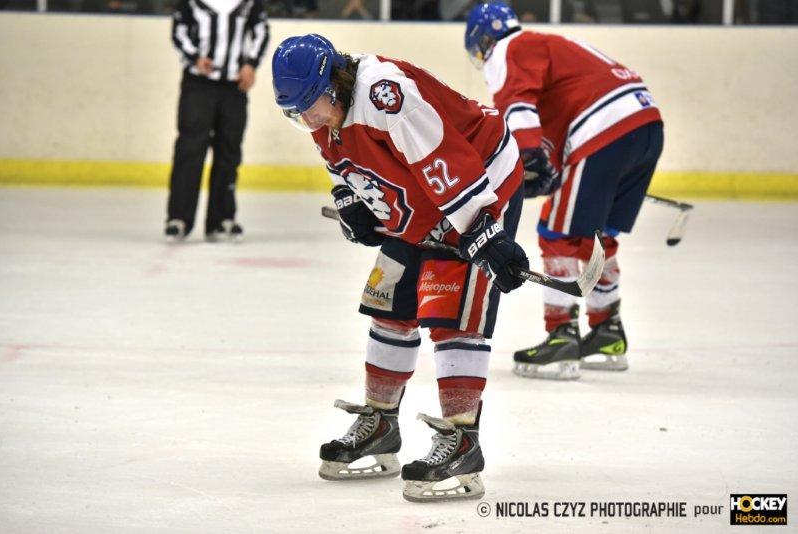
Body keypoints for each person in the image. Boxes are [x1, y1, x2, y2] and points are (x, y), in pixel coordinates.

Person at [271, 34, 529, 502]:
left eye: (311, 106)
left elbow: (442, 159)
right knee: (390, 302)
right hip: (416, 192)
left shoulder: (384, 95)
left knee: (452, 310)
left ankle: (463, 438)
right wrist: (351, 197)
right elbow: (336, 152)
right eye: (297, 113)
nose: (308, 119)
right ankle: (381, 423)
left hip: (477, 180)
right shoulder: (322, 102)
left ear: (337, 81)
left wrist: (483, 231)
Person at [465, 3, 664, 380]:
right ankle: (606, 329)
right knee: (594, 234)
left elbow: (517, 104)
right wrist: (543, 167)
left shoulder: (509, 48)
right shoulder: (549, 46)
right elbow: (557, 127)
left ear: (483, 40)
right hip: (645, 125)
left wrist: (526, 156)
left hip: (605, 128)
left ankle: (561, 336)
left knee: (557, 231)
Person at [165, 0, 269, 242]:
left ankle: (222, 219)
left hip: (234, 86)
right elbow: (178, 30)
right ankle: (178, 218)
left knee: (229, 150)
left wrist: (251, 64)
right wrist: (194, 57)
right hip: (198, 84)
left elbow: (261, 31)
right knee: (189, 149)